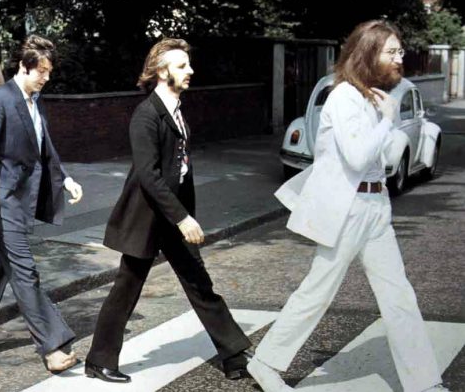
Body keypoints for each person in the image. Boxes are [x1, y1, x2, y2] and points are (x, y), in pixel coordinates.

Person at [247, 20, 451, 392]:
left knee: (398, 295)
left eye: (400, 51)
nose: (399, 58)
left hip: (376, 206)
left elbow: (385, 161)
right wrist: (388, 120)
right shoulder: (343, 97)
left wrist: (387, 118)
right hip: (347, 209)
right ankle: (264, 363)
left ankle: (425, 383)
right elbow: (357, 158)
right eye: (392, 52)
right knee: (318, 292)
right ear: (368, 53)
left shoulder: (371, 98)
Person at [85, 38, 252, 384]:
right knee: (126, 288)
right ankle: (99, 361)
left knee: (199, 283)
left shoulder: (175, 108)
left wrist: (183, 213)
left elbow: (180, 168)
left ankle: (234, 355)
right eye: (181, 66)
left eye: (188, 64)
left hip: (171, 217)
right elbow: (149, 175)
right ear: (161, 72)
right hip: (147, 218)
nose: (190, 71)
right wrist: (183, 217)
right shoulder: (146, 115)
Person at [0, 34, 83, 373]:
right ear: (24, 67)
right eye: (42, 71)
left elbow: (44, 145)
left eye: (49, 71)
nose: (46, 77)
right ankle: (53, 345)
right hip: (2, 200)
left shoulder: (34, 99)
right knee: (25, 273)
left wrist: (64, 178)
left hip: (23, 200)